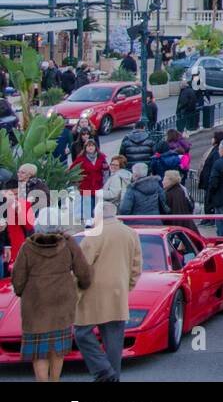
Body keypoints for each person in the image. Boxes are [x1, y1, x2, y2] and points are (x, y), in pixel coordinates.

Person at [12, 207, 93, 382]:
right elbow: (84, 271)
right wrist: (82, 285)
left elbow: (18, 278)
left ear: (38, 225)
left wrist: (21, 292)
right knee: (58, 349)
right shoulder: (69, 243)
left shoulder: (27, 246)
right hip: (62, 303)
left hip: (35, 306)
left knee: (39, 352)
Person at [74, 202, 143, 382]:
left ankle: (103, 370)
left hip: (92, 293)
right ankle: (113, 377)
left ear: (98, 216)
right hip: (118, 291)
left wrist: (75, 295)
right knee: (114, 340)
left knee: (82, 332)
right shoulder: (130, 233)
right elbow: (136, 266)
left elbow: (82, 268)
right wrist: (127, 286)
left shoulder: (94, 235)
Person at [70, 137, 108, 220]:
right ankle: (88, 224)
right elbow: (71, 170)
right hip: (86, 186)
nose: (90, 147)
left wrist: (105, 183)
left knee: (97, 207)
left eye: (92, 146)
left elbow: (106, 171)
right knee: (87, 207)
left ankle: (96, 223)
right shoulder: (81, 159)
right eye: (88, 146)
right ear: (85, 148)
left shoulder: (101, 157)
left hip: (98, 186)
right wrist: (77, 182)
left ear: (95, 147)